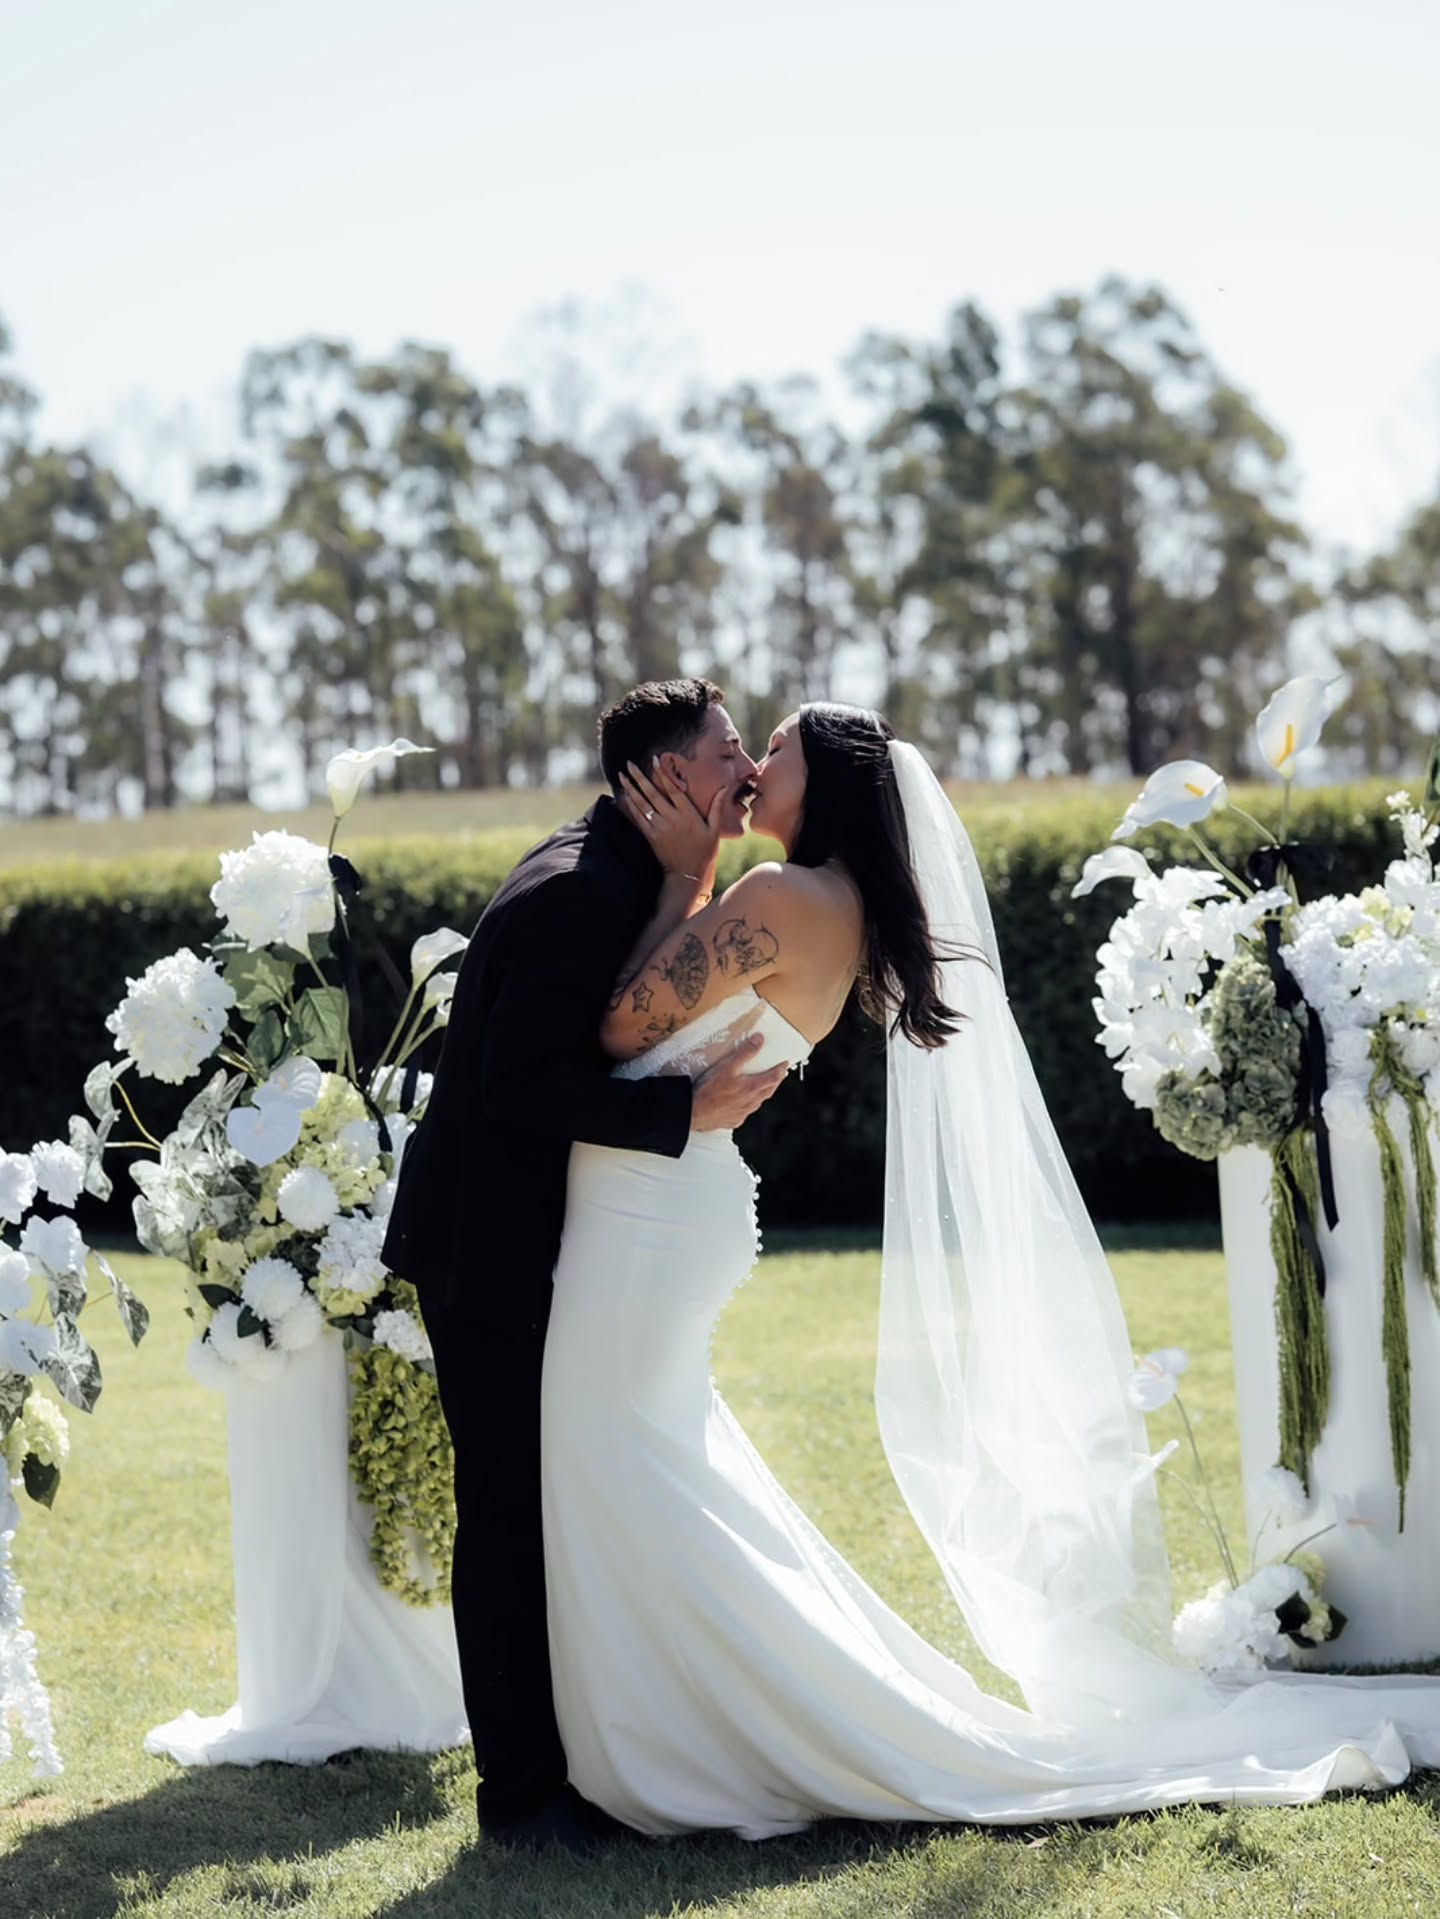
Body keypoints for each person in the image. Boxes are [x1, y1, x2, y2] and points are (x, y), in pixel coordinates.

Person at [540, 701, 1440, 1838]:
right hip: (674, 1209)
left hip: (654, 1220)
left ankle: (694, 1732)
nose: (759, 765)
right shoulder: (833, 908)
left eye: (779, 752)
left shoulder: (769, 901)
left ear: (829, 790)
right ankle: (668, 1716)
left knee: (616, 1452)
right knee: (646, 1464)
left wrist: (682, 872)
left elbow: (622, 1028)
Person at [381, 677, 787, 1851]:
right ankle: (518, 1798)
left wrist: (683, 879)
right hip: (486, 1253)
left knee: (539, 1505)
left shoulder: (627, 870)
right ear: (659, 775)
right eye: (724, 752)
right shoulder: (574, 891)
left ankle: (571, 1762)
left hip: (515, 1240)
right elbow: (517, 1084)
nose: (746, 770)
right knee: (506, 1513)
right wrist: (685, 1107)